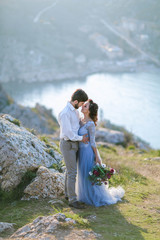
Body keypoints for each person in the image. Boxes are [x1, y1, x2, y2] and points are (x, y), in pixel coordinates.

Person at [76, 99, 125, 207]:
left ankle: (94, 197)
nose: (82, 106)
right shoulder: (81, 120)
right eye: (83, 105)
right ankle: (84, 196)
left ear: (89, 111)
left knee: (87, 174)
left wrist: (97, 157)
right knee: (82, 174)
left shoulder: (91, 124)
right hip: (80, 152)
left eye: (85, 106)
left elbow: (93, 142)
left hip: (88, 152)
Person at [58, 89, 88, 209]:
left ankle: (67, 194)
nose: (81, 106)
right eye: (81, 103)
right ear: (75, 101)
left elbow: (77, 124)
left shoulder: (74, 112)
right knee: (72, 173)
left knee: (69, 170)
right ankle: (72, 200)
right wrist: (81, 138)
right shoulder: (65, 113)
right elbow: (69, 134)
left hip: (74, 143)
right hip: (68, 144)